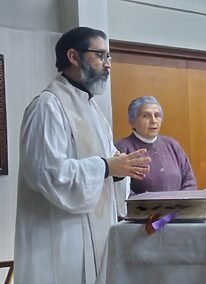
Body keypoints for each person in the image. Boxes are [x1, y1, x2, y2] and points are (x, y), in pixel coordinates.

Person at [14, 27, 151, 284]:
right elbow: (46, 174)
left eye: (109, 57)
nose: (108, 65)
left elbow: (109, 165)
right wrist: (107, 168)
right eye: (100, 55)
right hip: (60, 241)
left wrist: (123, 171)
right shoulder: (47, 106)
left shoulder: (94, 112)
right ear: (73, 57)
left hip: (94, 241)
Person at [116, 96, 196, 195]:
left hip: (180, 209)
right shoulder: (122, 148)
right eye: (146, 116)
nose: (153, 120)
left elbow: (189, 180)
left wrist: (182, 204)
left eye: (157, 115)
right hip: (142, 209)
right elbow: (122, 191)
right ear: (132, 122)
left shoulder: (172, 145)